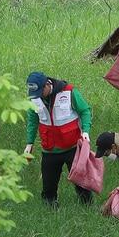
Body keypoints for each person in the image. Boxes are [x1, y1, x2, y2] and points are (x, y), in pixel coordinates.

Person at [24, 71, 93, 205]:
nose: (37, 97)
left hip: (72, 147)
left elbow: (85, 111)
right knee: (48, 187)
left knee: (81, 183)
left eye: (40, 92)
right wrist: (29, 143)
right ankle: (50, 208)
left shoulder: (69, 92)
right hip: (49, 150)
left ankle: (87, 205)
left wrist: (86, 131)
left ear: (47, 85)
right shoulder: (34, 98)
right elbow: (32, 120)